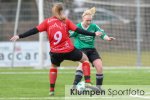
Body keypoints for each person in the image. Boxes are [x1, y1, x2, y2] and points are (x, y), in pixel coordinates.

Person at [10, 3, 102, 96]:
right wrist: (93, 34)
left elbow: (34, 30)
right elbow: (78, 30)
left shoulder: (47, 22)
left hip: (55, 52)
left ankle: (51, 90)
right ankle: (88, 81)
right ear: (61, 11)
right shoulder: (65, 21)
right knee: (85, 60)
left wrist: (19, 36)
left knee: (53, 67)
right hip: (69, 50)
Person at [70, 7, 115, 90]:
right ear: (83, 18)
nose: (89, 22)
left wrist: (107, 38)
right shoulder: (77, 27)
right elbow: (69, 34)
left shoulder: (94, 26)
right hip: (80, 49)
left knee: (99, 66)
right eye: (87, 20)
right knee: (82, 65)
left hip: (91, 49)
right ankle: (74, 86)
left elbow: (102, 34)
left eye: (90, 20)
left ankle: (98, 88)